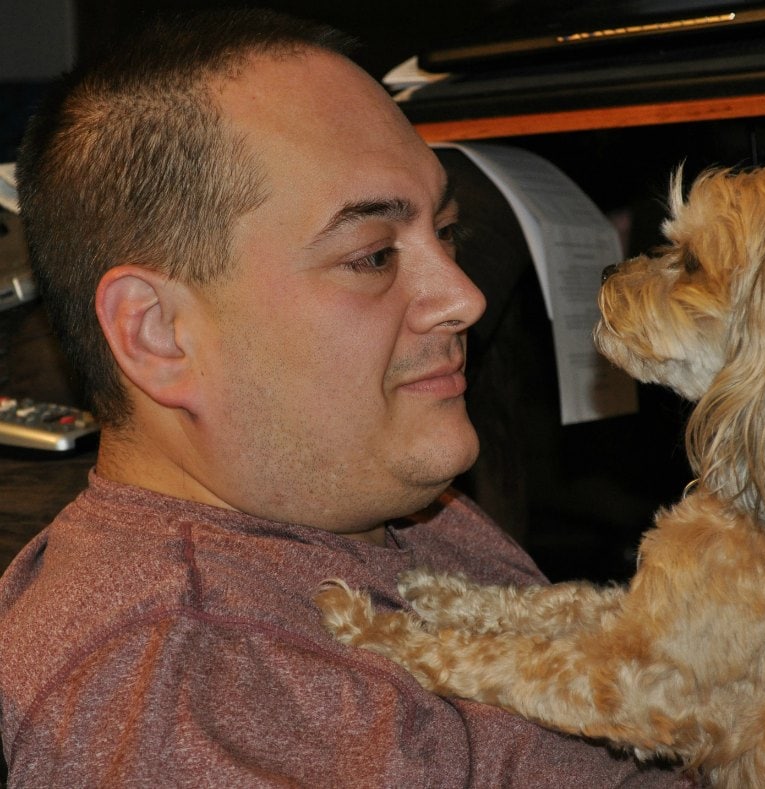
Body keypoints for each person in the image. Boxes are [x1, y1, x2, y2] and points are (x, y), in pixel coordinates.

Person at [0, 8, 692, 787]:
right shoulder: (195, 687)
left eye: (449, 233)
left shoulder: (381, 504)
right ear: (158, 333)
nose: (463, 297)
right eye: (371, 257)